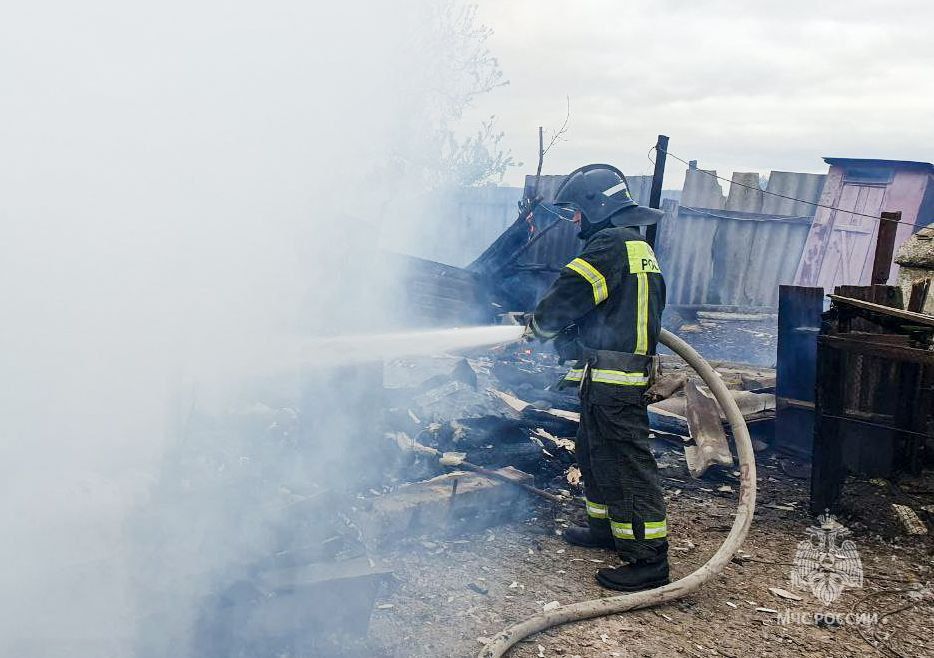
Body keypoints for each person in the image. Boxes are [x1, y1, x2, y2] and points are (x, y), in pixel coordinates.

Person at [527, 164, 669, 592]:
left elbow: (571, 292)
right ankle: (607, 529)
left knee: (626, 463)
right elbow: (610, 307)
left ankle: (649, 560)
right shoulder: (635, 244)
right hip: (606, 376)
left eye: (576, 210)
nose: (574, 219)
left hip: (615, 379)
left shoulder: (610, 243)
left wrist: (538, 327)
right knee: (595, 454)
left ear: (596, 207)